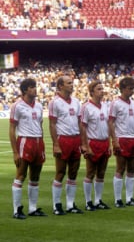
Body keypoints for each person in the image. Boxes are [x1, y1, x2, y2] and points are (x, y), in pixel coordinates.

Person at [10, 78, 47, 219]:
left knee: (35, 177)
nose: (35, 89)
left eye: (35, 86)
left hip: (38, 142)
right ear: (25, 90)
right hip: (25, 141)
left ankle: (32, 208)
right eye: (32, 87)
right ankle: (17, 210)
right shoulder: (17, 106)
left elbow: (41, 125)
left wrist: (41, 141)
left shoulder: (38, 105)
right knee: (21, 175)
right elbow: (12, 129)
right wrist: (15, 152)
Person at [49, 75, 83, 215]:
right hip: (63, 140)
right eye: (68, 83)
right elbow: (52, 124)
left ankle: (70, 204)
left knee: (73, 173)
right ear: (60, 86)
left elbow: (80, 123)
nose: (72, 85)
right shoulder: (55, 102)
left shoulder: (76, 101)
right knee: (60, 172)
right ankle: (57, 205)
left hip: (75, 140)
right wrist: (56, 144)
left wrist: (82, 142)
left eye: (72, 82)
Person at [109, 77, 134, 207]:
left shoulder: (133, 103)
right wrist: (114, 140)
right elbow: (110, 122)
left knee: (132, 169)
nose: (132, 91)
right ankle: (118, 199)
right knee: (120, 168)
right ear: (122, 88)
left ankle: (129, 198)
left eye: (133, 88)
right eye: (130, 89)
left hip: (133, 138)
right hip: (122, 138)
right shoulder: (115, 103)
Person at [80, 80, 111, 211]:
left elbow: (108, 125)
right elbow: (83, 127)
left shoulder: (105, 105)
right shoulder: (86, 107)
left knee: (101, 173)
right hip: (93, 142)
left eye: (102, 88)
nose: (102, 91)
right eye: (99, 89)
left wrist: (109, 143)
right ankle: (88, 202)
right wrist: (86, 146)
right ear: (92, 92)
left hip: (104, 142)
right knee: (90, 172)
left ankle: (98, 200)